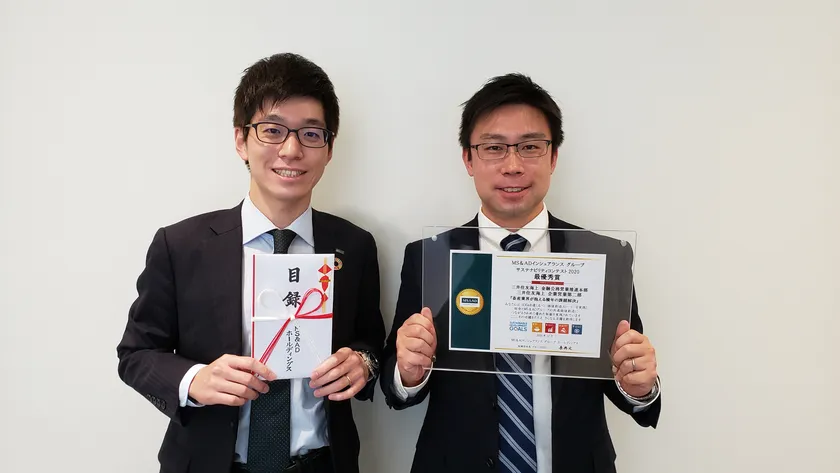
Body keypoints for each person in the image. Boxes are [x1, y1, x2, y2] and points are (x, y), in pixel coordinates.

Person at [117, 52, 386, 473]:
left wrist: (363, 364)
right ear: (241, 139)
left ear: (329, 148)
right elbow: (136, 354)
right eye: (272, 130)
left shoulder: (354, 246)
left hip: (321, 464)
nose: (291, 150)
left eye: (311, 134)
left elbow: (370, 341)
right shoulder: (181, 245)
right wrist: (194, 380)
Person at [380, 73, 661, 473]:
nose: (512, 166)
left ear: (553, 156)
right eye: (494, 148)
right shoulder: (431, 258)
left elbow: (628, 386)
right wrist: (407, 373)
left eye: (530, 147)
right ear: (468, 159)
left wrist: (639, 386)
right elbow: (395, 389)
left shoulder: (603, 258)